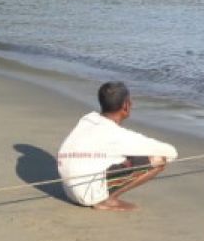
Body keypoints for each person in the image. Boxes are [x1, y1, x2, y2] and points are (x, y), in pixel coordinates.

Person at [56, 82, 178, 211]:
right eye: (130, 102)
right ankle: (108, 200)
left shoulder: (87, 119)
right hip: (87, 195)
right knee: (158, 160)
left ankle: (103, 192)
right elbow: (171, 152)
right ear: (125, 105)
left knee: (120, 156)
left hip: (69, 191)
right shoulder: (116, 134)